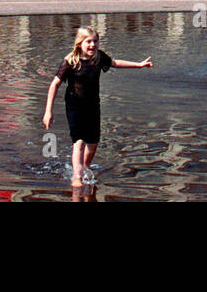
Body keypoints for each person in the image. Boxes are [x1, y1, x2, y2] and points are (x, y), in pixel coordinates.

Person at [42, 26, 152, 187]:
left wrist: (139, 65)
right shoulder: (70, 61)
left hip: (93, 105)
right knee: (79, 142)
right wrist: (48, 112)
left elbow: (115, 63)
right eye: (88, 42)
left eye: (95, 41)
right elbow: (54, 85)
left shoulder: (98, 58)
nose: (92, 45)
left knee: (93, 144)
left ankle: (84, 168)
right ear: (80, 43)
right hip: (74, 106)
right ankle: (77, 177)